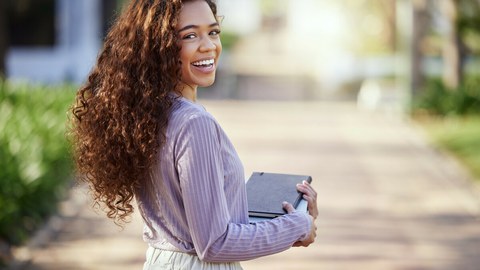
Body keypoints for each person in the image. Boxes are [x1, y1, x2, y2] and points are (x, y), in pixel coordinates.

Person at [69, 0, 318, 269]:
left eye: (213, 32)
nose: (208, 45)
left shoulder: (146, 116)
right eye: (189, 35)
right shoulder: (192, 123)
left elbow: (199, 223)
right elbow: (215, 242)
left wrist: (285, 221)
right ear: (159, 46)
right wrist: (298, 225)